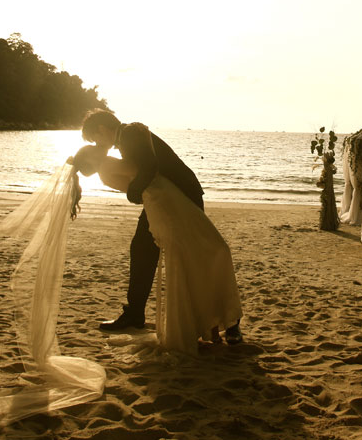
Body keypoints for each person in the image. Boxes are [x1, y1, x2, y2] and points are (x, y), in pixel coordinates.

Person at [80, 109, 243, 344]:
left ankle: (230, 323)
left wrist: (133, 193)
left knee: (202, 256)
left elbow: (148, 167)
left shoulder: (130, 132)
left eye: (96, 138)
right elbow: (141, 172)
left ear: (103, 129)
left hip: (183, 198)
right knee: (143, 250)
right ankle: (134, 313)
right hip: (164, 201)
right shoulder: (127, 136)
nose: (99, 144)